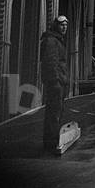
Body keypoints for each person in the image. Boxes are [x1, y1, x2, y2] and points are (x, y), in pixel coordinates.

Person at [39, 15, 69, 152]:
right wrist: (56, 82)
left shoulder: (56, 40)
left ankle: (51, 141)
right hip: (55, 82)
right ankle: (51, 143)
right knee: (54, 112)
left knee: (55, 111)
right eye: (62, 25)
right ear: (56, 26)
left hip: (58, 81)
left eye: (66, 25)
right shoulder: (52, 41)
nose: (64, 28)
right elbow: (51, 63)